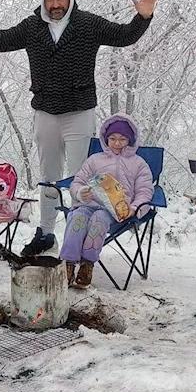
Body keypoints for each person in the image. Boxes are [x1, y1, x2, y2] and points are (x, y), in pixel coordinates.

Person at [0, 0, 158, 257]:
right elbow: (0, 41)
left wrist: (142, 17)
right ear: (44, 1)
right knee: (48, 176)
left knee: (82, 175)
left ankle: (75, 232)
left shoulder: (88, 24)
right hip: (45, 111)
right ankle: (45, 233)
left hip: (79, 111)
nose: (56, 5)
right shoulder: (33, 27)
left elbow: (123, 36)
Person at [60, 113, 154, 289]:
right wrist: (80, 193)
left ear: (130, 140)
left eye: (122, 139)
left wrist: (134, 207)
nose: (117, 143)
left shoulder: (138, 164)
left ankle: (87, 265)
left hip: (115, 211)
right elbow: (78, 182)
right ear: (106, 139)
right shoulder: (95, 160)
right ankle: (67, 265)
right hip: (89, 204)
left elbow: (145, 190)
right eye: (112, 138)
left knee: (98, 221)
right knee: (77, 219)